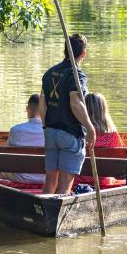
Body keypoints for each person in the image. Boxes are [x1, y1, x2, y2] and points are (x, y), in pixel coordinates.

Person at [39, 33, 96, 195]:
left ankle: (45, 214)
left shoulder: (49, 73)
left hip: (50, 131)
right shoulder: (77, 75)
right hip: (70, 134)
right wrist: (90, 129)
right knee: (64, 182)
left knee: (50, 179)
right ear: (83, 53)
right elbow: (75, 102)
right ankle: (57, 217)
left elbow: (42, 102)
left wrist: (44, 126)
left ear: (65, 50)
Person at [0, 93, 45, 184]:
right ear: (44, 110)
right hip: (47, 179)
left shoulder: (16, 130)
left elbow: (5, 154)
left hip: (20, 178)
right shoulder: (50, 132)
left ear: (27, 109)